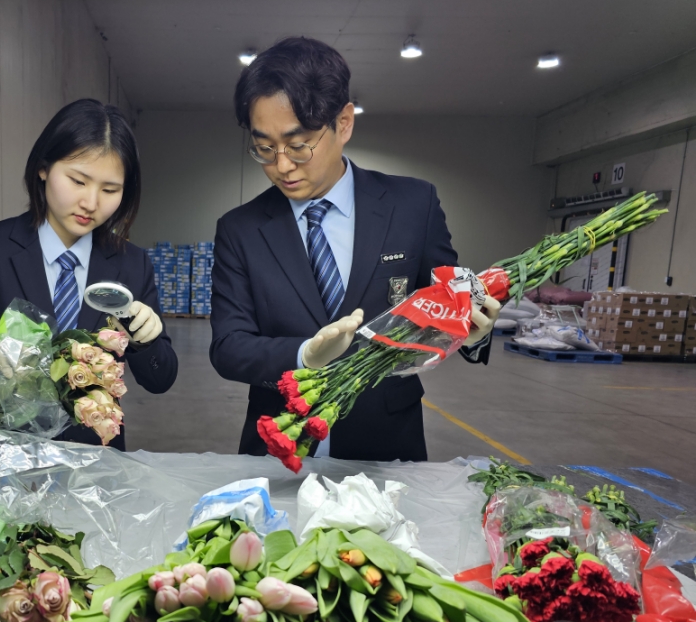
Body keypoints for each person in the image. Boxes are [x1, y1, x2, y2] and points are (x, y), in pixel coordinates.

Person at [210, 37, 498, 462]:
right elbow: (229, 347)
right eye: (265, 148)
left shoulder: (412, 206)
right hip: (279, 445)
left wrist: (471, 331)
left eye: (298, 143)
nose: (282, 165)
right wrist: (304, 355)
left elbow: (445, 299)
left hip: (386, 446)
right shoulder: (240, 229)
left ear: (343, 123)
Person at [0, 99, 177, 449]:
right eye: (78, 180)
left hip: (95, 464)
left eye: (110, 190)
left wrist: (147, 341)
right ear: (43, 168)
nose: (91, 202)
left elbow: (160, 379)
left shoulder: (130, 263)